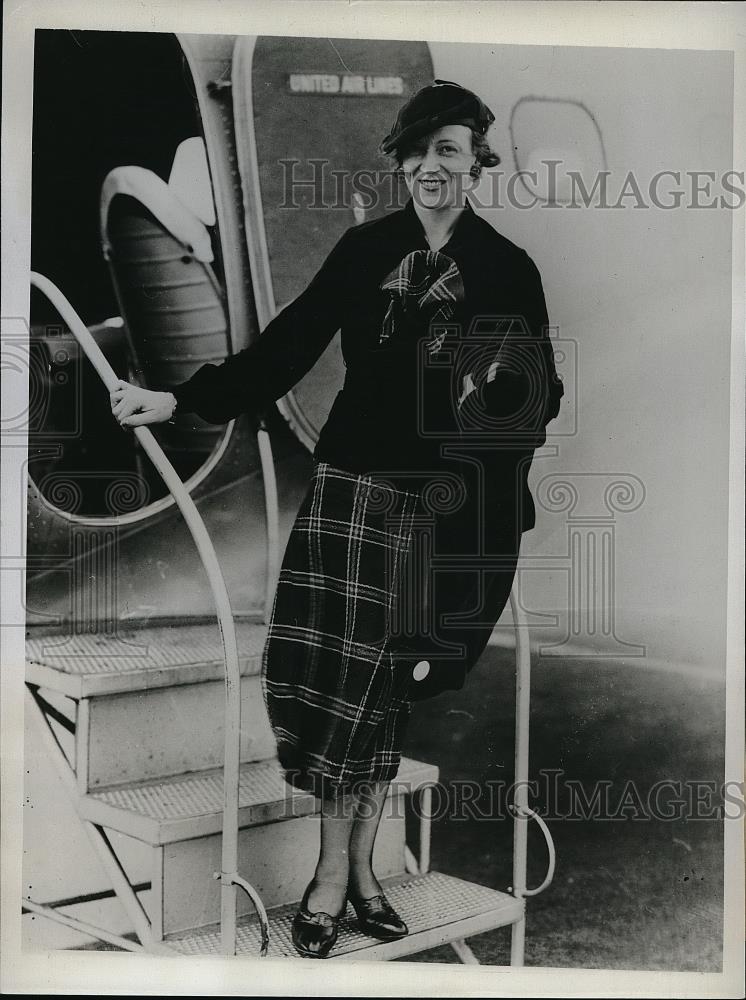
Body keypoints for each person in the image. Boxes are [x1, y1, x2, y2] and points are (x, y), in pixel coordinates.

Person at [110, 79, 564, 959]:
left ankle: (347, 880)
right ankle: (344, 878)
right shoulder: (365, 249)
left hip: (439, 511)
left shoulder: (509, 268)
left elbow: (535, 396)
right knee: (344, 697)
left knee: (382, 696)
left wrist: (495, 394)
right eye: (419, 150)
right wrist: (179, 399)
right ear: (399, 159)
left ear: (477, 164)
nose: (432, 168)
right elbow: (287, 346)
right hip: (352, 495)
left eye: (451, 151)